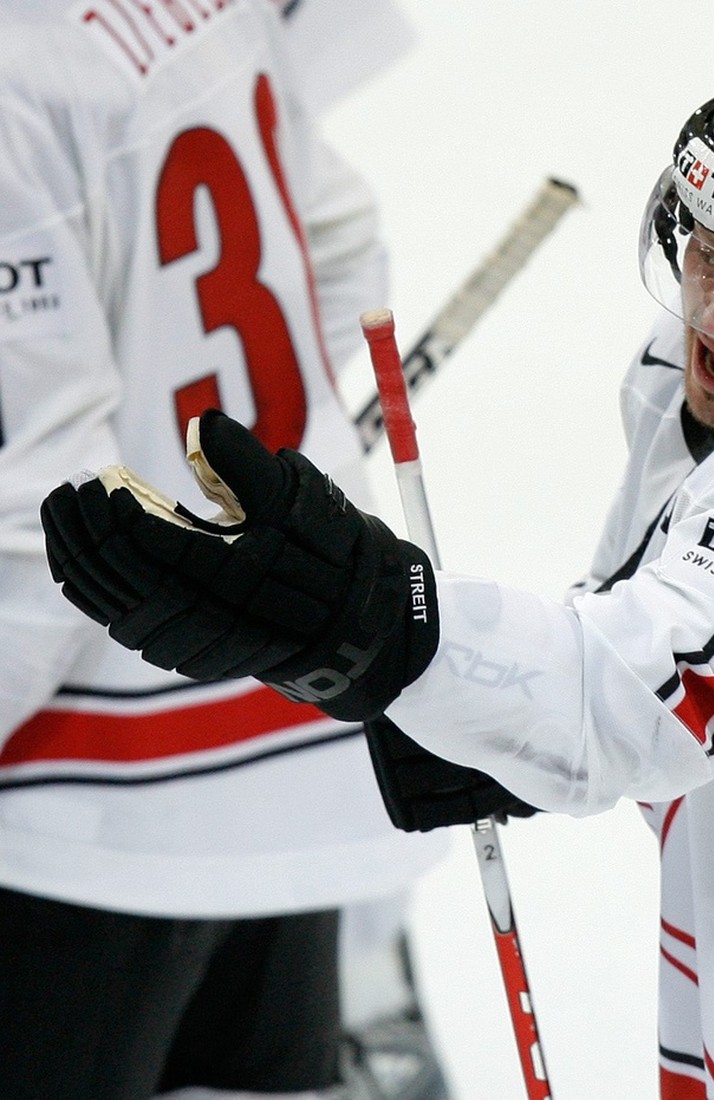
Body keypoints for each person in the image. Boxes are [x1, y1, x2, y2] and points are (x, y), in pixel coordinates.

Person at [36, 29, 714, 1098]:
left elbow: (635, 704)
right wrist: (482, 704)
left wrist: (378, 618)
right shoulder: (695, 367)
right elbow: (629, 622)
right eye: (706, 257)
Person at [0, 1, 449, 1097]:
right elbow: (341, 240)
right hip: (289, 745)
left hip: (87, 818)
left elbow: (42, 513)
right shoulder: (207, 11)